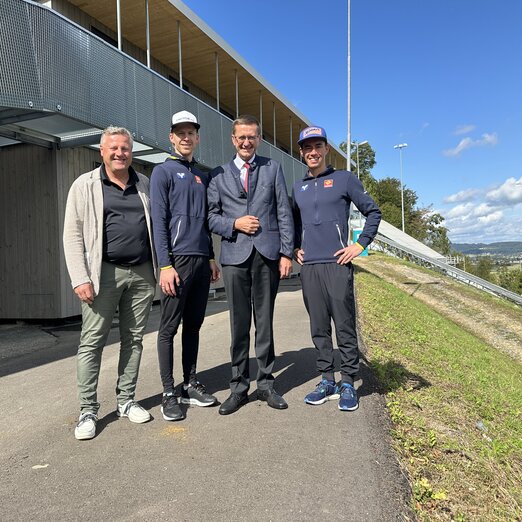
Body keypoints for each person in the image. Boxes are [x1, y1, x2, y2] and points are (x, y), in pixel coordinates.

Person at [63, 126, 157, 440]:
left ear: (132, 152)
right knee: (92, 342)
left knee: (134, 339)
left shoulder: (143, 183)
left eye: (125, 148)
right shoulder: (85, 185)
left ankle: (126, 401)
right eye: (113, 148)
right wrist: (80, 278)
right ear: (102, 151)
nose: (120, 153)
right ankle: (87, 410)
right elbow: (73, 235)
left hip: (141, 273)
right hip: (101, 273)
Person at [208, 115, 294, 415]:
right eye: (241, 137)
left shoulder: (273, 168)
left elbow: (284, 211)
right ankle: (239, 387)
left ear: (259, 139)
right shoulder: (218, 174)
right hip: (234, 257)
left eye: (252, 137)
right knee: (239, 325)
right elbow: (211, 217)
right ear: (233, 139)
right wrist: (235, 223)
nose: (246, 142)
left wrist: (286, 253)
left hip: (267, 255)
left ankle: (266, 384)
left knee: (265, 322)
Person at [292, 126, 381, 411]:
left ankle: (348, 382)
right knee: (319, 328)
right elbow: (291, 222)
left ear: (326, 149)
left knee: (343, 326)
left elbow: (373, 212)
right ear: (302, 152)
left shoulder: (344, 179)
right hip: (310, 268)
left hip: (338, 264)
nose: (313, 152)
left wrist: (359, 245)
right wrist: (294, 247)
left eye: (317, 146)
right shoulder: (299, 187)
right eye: (307, 147)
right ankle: (326, 380)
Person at [150, 111, 220, 422]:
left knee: (193, 326)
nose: (186, 137)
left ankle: (189, 383)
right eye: (180, 132)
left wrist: (210, 256)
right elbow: (159, 222)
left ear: (197, 137)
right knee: (168, 329)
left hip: (201, 262)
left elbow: (205, 222)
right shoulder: (163, 172)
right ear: (171, 136)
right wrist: (165, 265)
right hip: (175, 263)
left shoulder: (202, 176)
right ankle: (168, 392)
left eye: (191, 132)